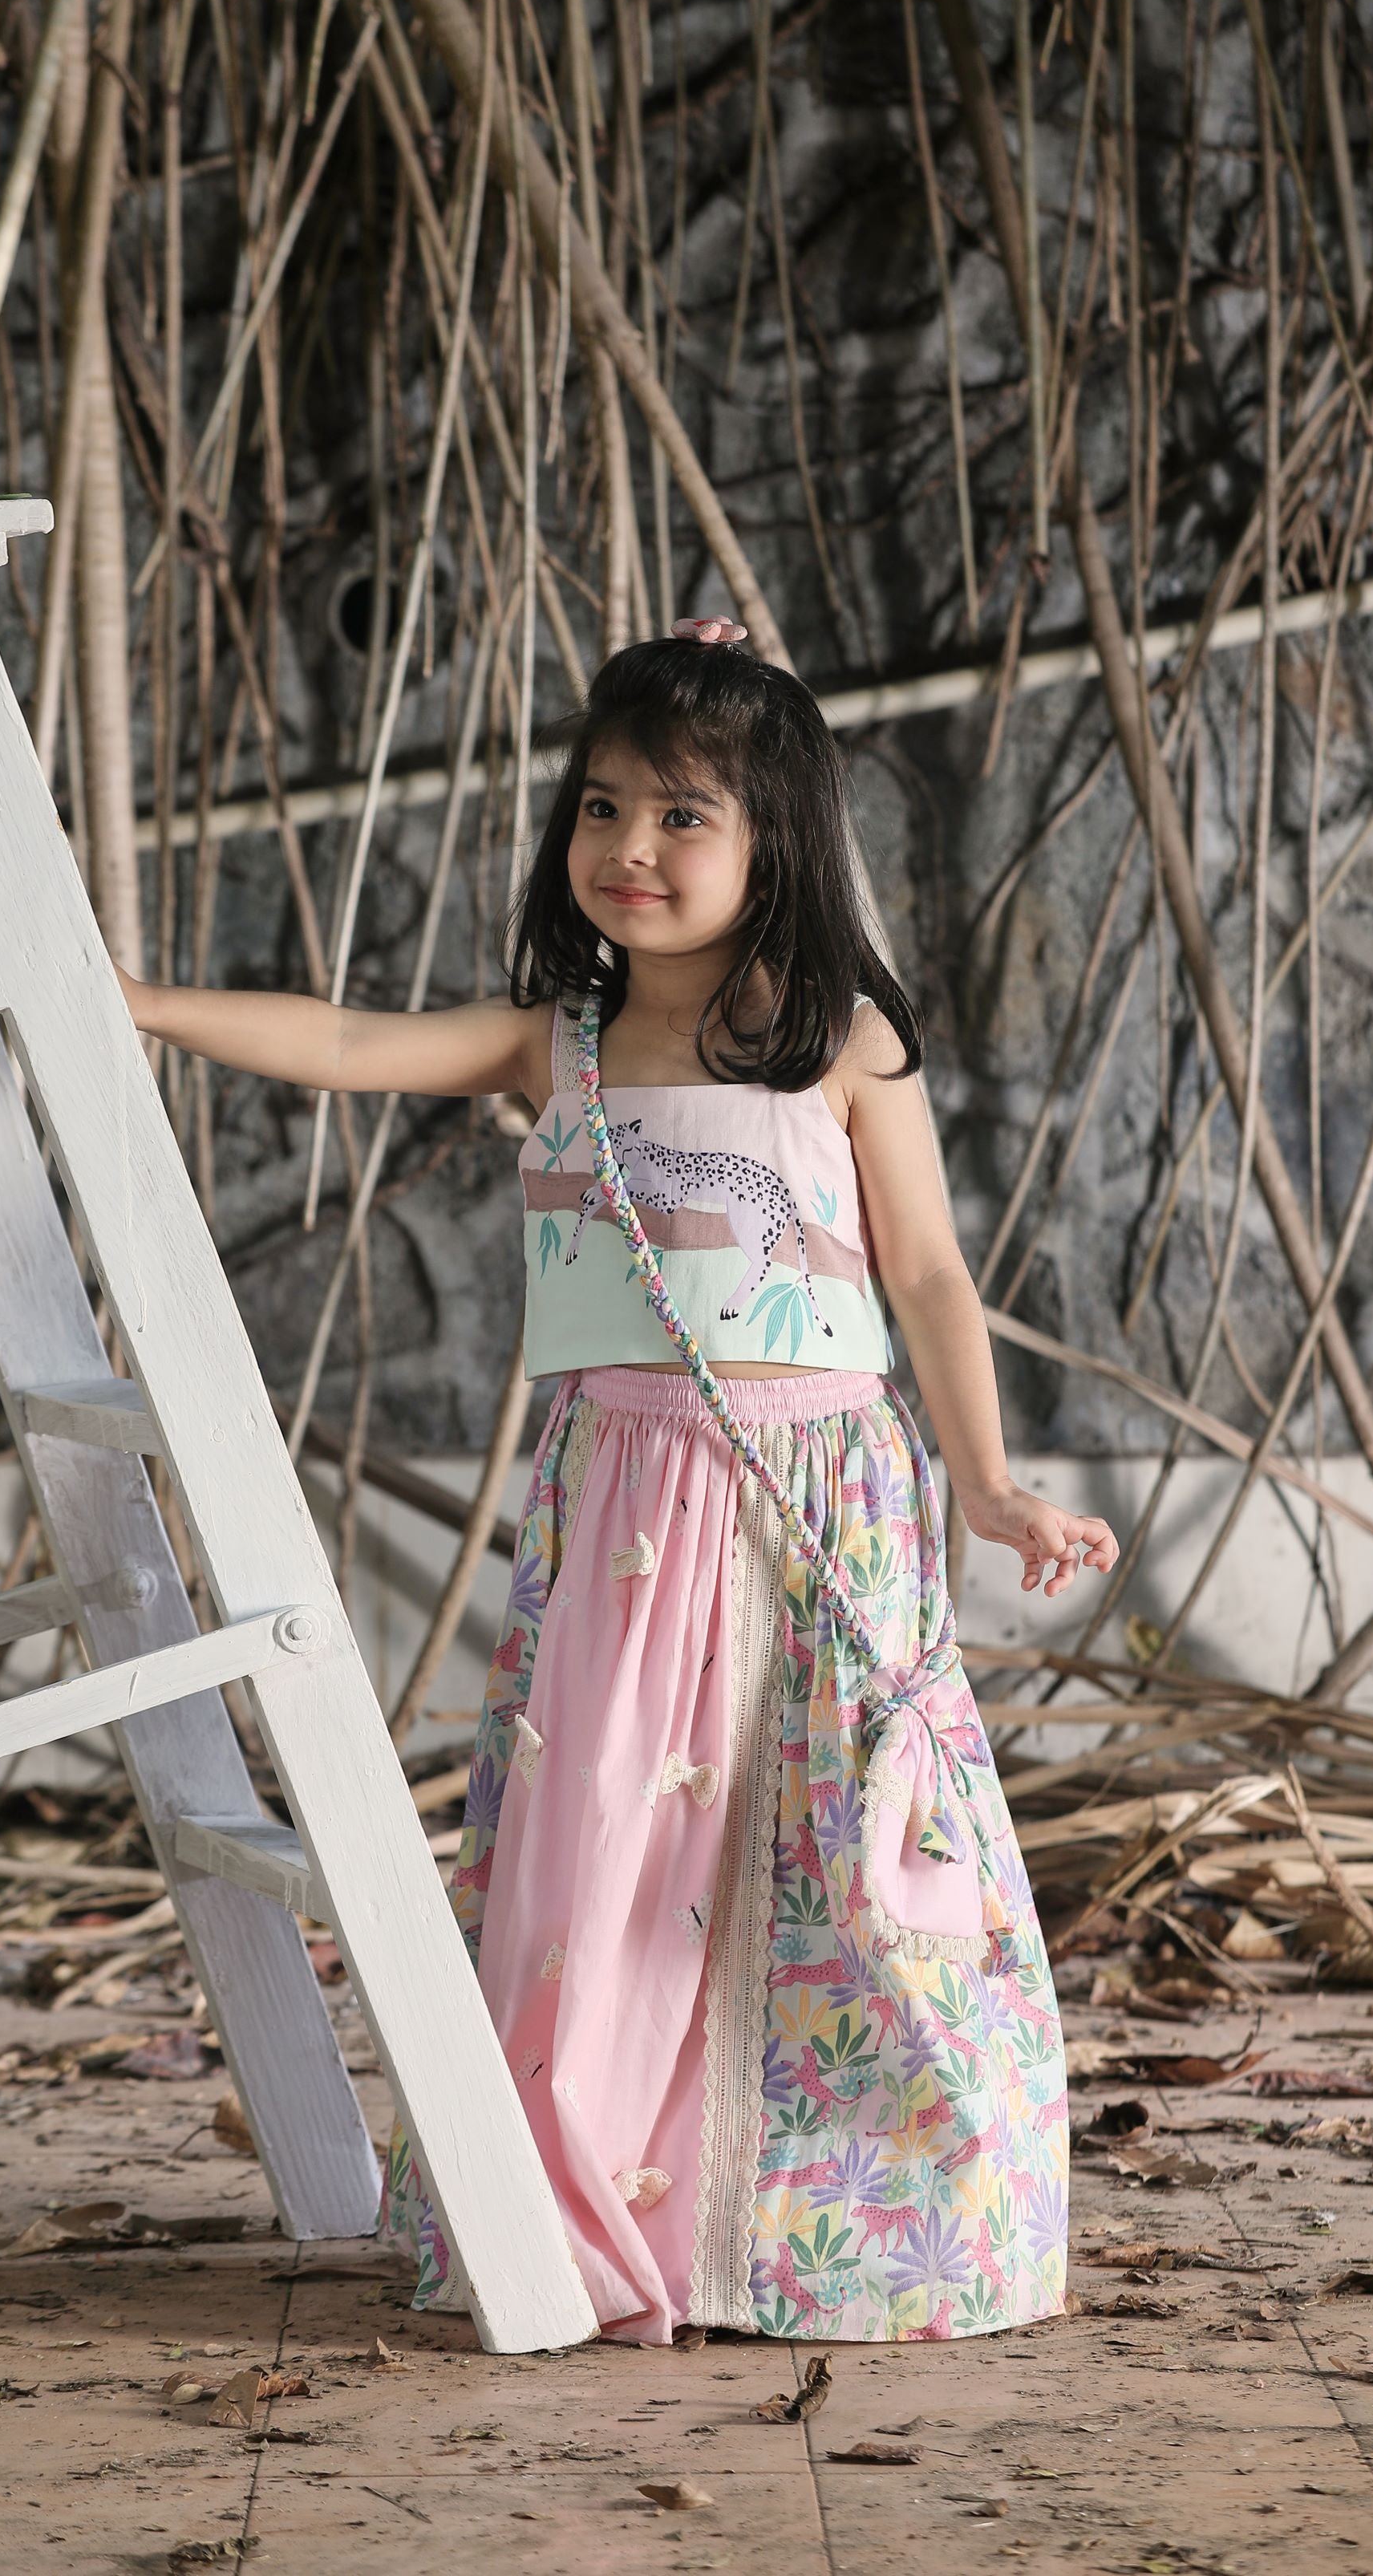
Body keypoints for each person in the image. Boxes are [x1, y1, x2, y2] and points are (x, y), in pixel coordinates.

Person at [116, 620, 1116, 2348]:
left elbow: (932, 1279)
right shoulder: (554, 1042)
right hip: (622, 1516)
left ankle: (843, 2217)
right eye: (601, 807)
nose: (631, 849)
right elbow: (349, 1044)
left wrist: (988, 1487)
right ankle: (583, 2202)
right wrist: (117, 1002)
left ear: (775, 840)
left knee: (845, 1853)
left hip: (815, 1494)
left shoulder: (842, 1047)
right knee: (601, 1846)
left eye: (683, 815)